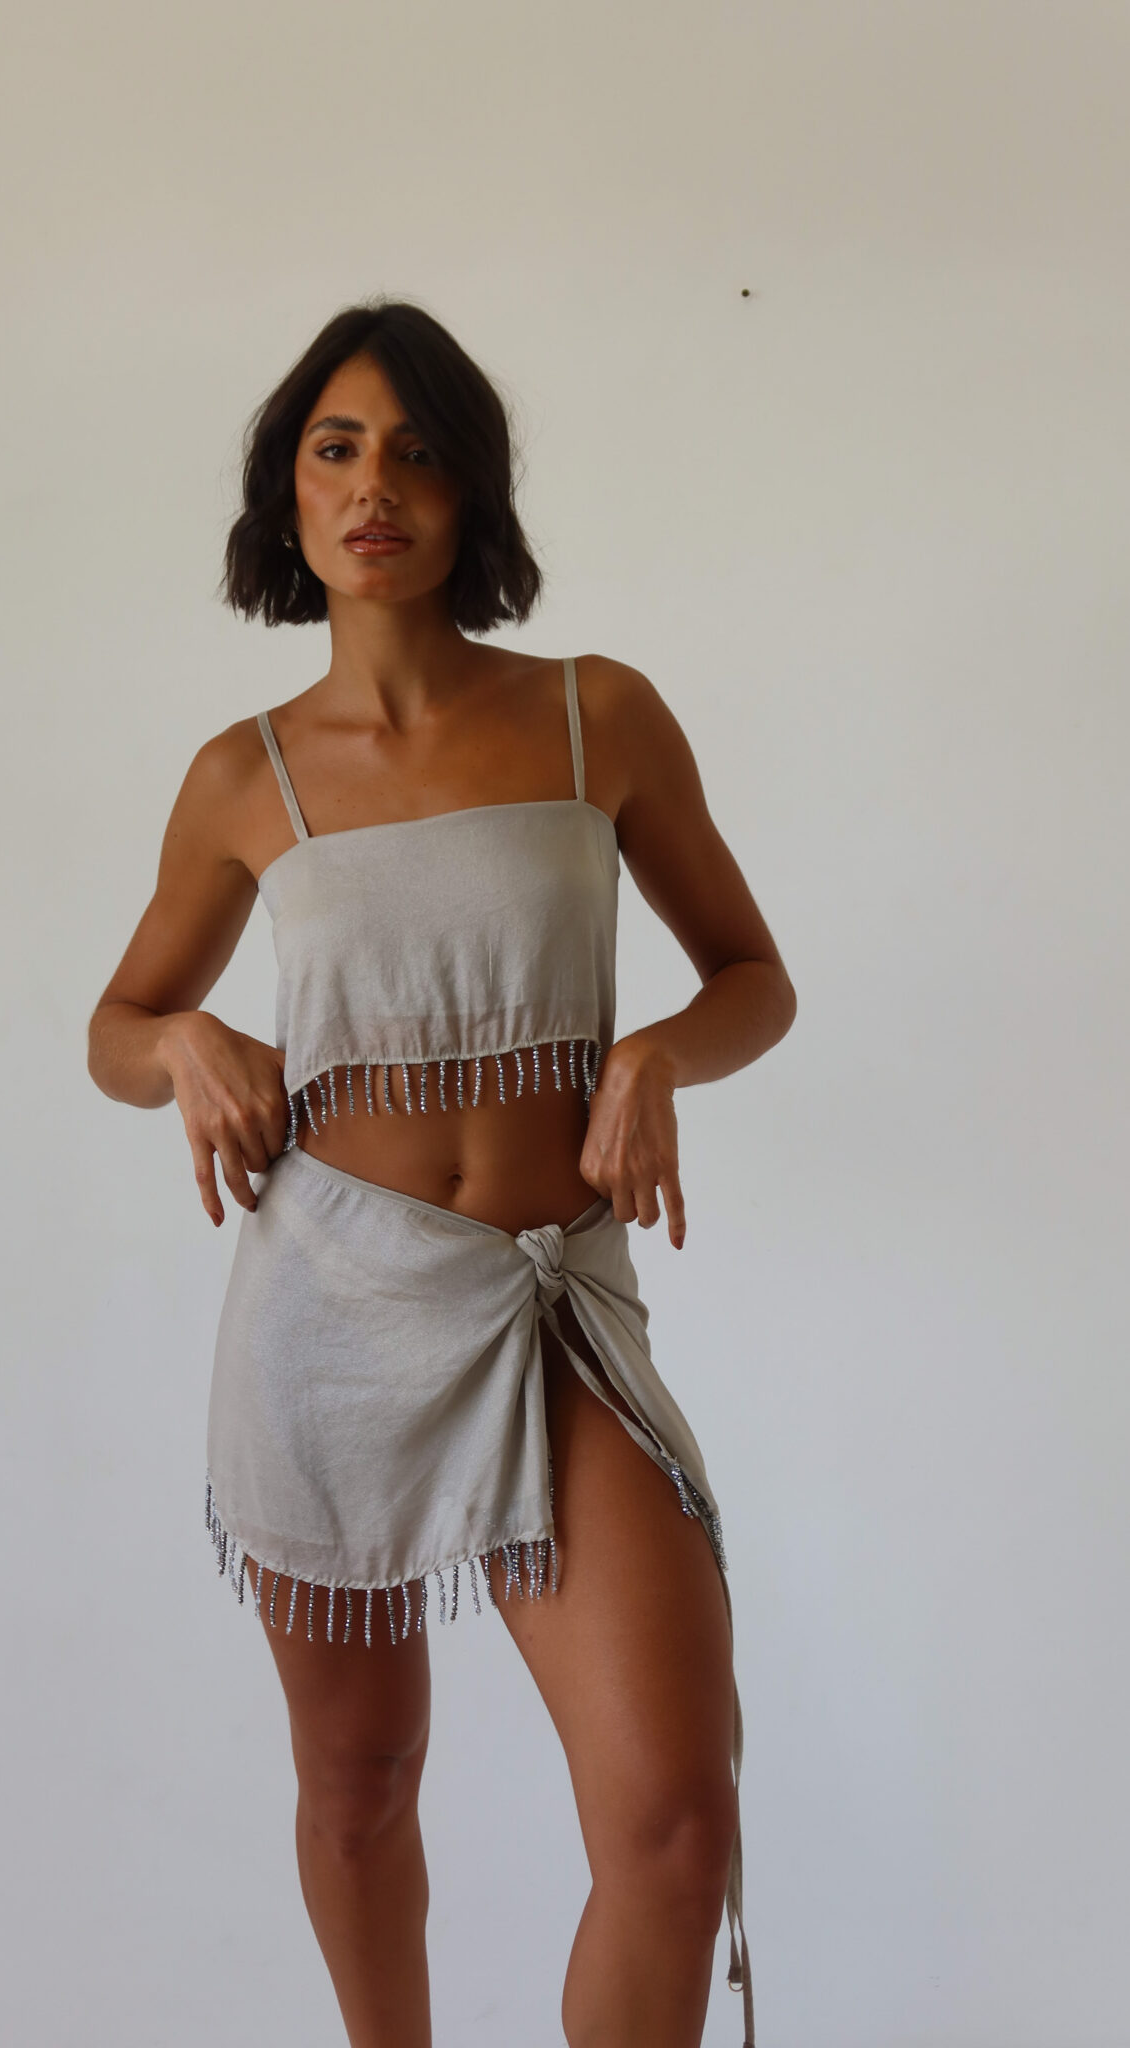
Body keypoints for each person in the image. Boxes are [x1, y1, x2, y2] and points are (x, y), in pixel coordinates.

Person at [86, 296, 795, 2048]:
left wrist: (651, 1054)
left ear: (469, 489)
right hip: (328, 1315)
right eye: (335, 449)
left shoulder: (595, 717)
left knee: (673, 1826)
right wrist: (184, 1043)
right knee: (358, 1786)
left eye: (414, 450)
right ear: (287, 491)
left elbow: (752, 979)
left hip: (551, 1311)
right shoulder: (244, 775)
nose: (373, 485)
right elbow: (115, 1023)